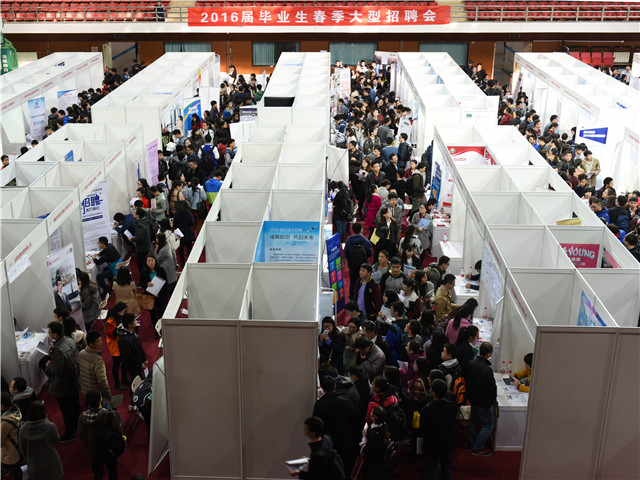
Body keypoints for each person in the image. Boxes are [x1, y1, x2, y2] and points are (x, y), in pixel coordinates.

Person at [312, 376, 357, 474]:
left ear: (322, 388)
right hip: (344, 438)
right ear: (335, 385)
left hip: (327, 441)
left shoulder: (320, 404)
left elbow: (316, 424)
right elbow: (354, 420)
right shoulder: (346, 401)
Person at [45, 321, 80, 442]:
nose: (49, 334)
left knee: (66, 410)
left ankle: (70, 433)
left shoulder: (59, 350)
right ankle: (77, 427)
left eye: (50, 332)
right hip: (73, 379)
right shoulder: (69, 340)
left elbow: (57, 369)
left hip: (63, 384)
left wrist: (49, 364)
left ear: (55, 334)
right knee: (75, 406)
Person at [78, 390, 123, 480]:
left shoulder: (82, 417)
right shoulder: (109, 415)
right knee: (113, 471)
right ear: (100, 399)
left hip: (93, 450)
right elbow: (119, 431)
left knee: (98, 473)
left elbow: (81, 434)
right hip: (109, 448)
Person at [419, 379, 456, 480]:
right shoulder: (451, 407)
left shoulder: (426, 410)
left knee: (432, 470)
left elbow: (422, 429)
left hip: (431, 444)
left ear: (433, 392)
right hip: (447, 442)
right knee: (447, 469)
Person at [18, 401, 63, 480]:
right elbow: (56, 439)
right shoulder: (50, 426)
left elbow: (23, 449)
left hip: (34, 464)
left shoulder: (22, 430)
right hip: (51, 461)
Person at [466, 342, 497, 456]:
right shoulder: (487, 369)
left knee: (474, 421)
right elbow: (491, 387)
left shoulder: (471, 363)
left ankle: (471, 443)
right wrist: (493, 398)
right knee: (489, 425)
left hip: (473, 398)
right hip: (484, 401)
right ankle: (477, 448)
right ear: (488, 354)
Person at [78, 330, 112, 403]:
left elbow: (78, 371)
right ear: (91, 344)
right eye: (98, 341)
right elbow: (102, 381)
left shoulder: (81, 353)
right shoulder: (98, 360)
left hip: (85, 389)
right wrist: (108, 395)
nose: (101, 343)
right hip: (96, 392)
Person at [362, 406, 392, 480]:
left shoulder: (374, 434)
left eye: (372, 412)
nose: (370, 413)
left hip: (374, 463)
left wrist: (364, 438)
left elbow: (367, 449)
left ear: (375, 417)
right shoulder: (384, 426)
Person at [139, 254, 168, 332]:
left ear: (155, 261)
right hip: (150, 296)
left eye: (152, 260)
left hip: (161, 295)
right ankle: (156, 329)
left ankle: (163, 327)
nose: (151, 262)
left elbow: (165, 282)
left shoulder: (161, 270)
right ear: (146, 262)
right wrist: (146, 284)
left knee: (161, 312)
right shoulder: (144, 272)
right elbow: (141, 282)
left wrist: (159, 294)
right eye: (149, 261)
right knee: (153, 313)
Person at [117, 314, 147, 387]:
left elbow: (139, 346)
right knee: (138, 383)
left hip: (138, 362)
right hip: (133, 366)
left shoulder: (133, 331)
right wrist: (139, 364)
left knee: (141, 381)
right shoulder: (123, 339)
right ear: (129, 324)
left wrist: (144, 359)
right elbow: (128, 356)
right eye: (134, 320)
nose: (136, 321)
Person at [105, 302, 128, 391]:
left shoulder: (119, 317)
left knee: (125, 363)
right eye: (123, 311)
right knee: (116, 365)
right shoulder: (110, 321)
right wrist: (117, 329)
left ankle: (124, 379)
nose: (124, 313)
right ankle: (117, 383)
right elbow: (110, 334)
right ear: (118, 311)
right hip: (115, 346)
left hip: (121, 344)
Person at [1, 392, 22, 480]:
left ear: (2, 406)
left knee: (15, 471)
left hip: (9, 451)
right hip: (16, 446)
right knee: (16, 469)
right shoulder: (14, 409)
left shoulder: (5, 422)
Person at [173, 201, 194, 266]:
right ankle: (190, 261)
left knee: (180, 249)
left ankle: (183, 263)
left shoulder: (176, 213)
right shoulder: (189, 213)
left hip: (179, 233)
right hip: (188, 232)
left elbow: (175, 224)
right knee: (189, 248)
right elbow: (192, 223)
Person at [133, 208, 153, 276]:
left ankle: (144, 277)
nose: (133, 214)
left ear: (138, 215)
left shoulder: (140, 225)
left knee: (141, 264)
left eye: (135, 213)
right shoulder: (145, 221)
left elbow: (139, 238)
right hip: (147, 245)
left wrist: (132, 239)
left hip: (142, 248)